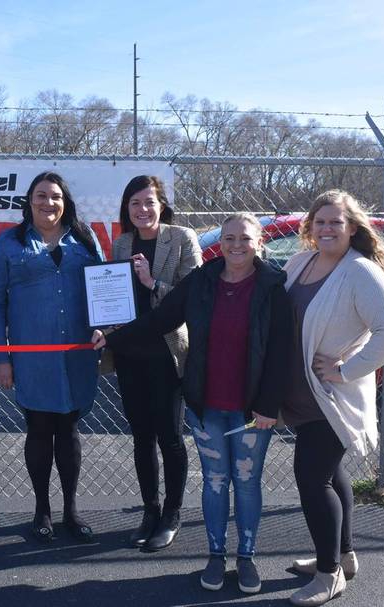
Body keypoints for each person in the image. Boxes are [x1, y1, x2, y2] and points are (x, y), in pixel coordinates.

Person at [93, 213, 291, 594]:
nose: (235, 245)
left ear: (259, 243)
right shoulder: (202, 281)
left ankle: (246, 557)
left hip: (252, 410)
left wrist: (270, 405)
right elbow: (161, 319)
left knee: (246, 483)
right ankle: (216, 555)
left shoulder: (272, 287)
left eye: (244, 239)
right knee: (216, 482)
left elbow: (281, 351)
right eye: (229, 237)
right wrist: (113, 339)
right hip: (207, 405)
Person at [283, 191, 384, 607]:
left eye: (336, 222)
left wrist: (346, 368)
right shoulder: (301, 262)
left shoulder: (360, 272)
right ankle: (345, 555)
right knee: (332, 475)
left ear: (353, 228)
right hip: (301, 393)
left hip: (332, 394)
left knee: (312, 480)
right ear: (310, 226)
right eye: (320, 221)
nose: (327, 229)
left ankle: (328, 573)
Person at [0, 171, 103, 543]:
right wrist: (1, 358)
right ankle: (42, 510)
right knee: (38, 430)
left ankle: (70, 510)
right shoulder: (8, 244)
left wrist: (107, 327)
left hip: (77, 356)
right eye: (40, 196)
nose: (47, 203)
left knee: (69, 430)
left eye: (54, 196)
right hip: (32, 358)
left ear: (64, 201)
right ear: (29, 201)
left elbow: (104, 287)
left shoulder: (85, 240)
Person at [110, 175, 201, 551]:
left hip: (168, 354)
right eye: (135, 203)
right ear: (126, 209)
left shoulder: (181, 238)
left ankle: (172, 513)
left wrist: (151, 282)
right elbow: (114, 296)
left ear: (162, 204)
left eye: (149, 202)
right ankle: (149, 510)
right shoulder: (121, 243)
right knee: (141, 436)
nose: (142, 209)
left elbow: (192, 296)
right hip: (131, 354)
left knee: (170, 435)